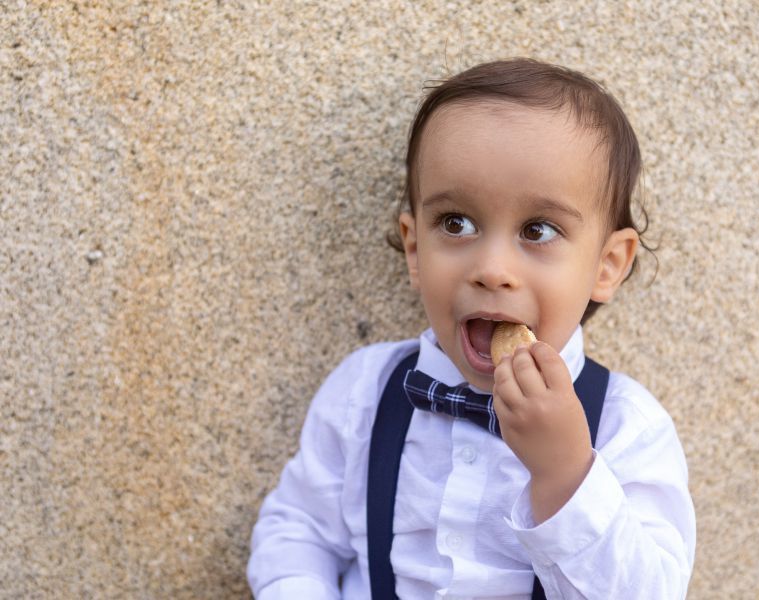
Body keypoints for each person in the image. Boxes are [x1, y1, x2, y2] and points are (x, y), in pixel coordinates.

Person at [247, 58, 696, 599]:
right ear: (415, 248)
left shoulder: (628, 428)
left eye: (538, 229)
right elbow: (298, 533)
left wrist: (565, 475)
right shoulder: (363, 393)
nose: (492, 269)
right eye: (456, 223)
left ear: (606, 265)